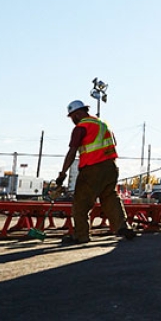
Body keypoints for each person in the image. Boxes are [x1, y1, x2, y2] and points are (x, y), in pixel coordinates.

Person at [53, 100, 136, 244]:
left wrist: (62, 174)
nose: (72, 120)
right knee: (110, 198)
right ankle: (122, 227)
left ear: (77, 114)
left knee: (81, 203)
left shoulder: (81, 127)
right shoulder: (103, 125)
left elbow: (72, 152)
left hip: (91, 169)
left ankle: (81, 236)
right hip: (111, 168)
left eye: (72, 117)